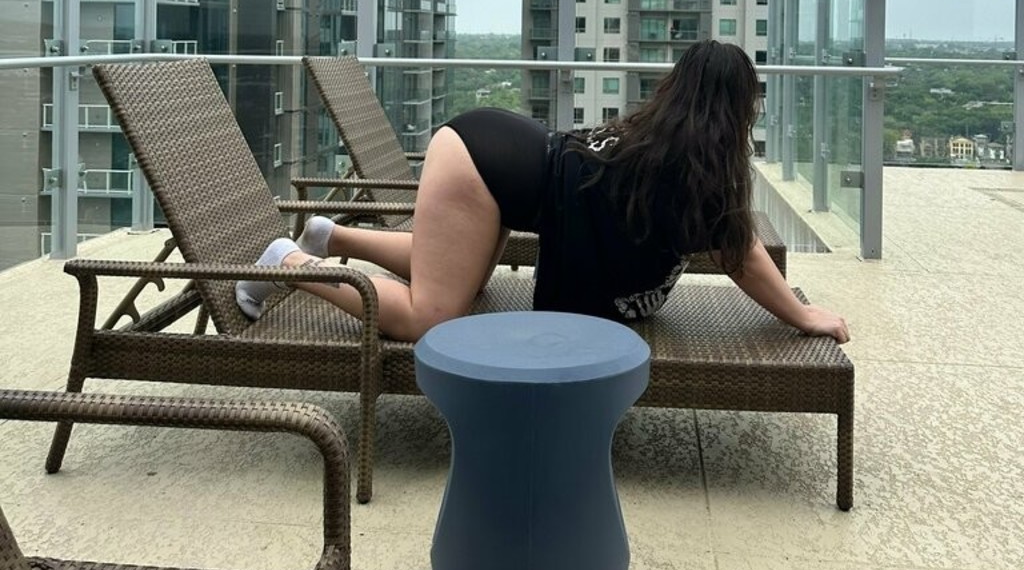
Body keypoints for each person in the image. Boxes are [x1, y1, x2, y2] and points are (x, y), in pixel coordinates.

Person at [236, 40, 850, 346]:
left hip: (500, 153)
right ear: (738, 108)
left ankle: (331, 236)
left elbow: (735, 245)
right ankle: (287, 262)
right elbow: (741, 254)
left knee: (467, 280)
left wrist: (797, 311)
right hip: (482, 163)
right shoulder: (686, 164)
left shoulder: (661, 143)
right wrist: (802, 315)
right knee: (431, 318)